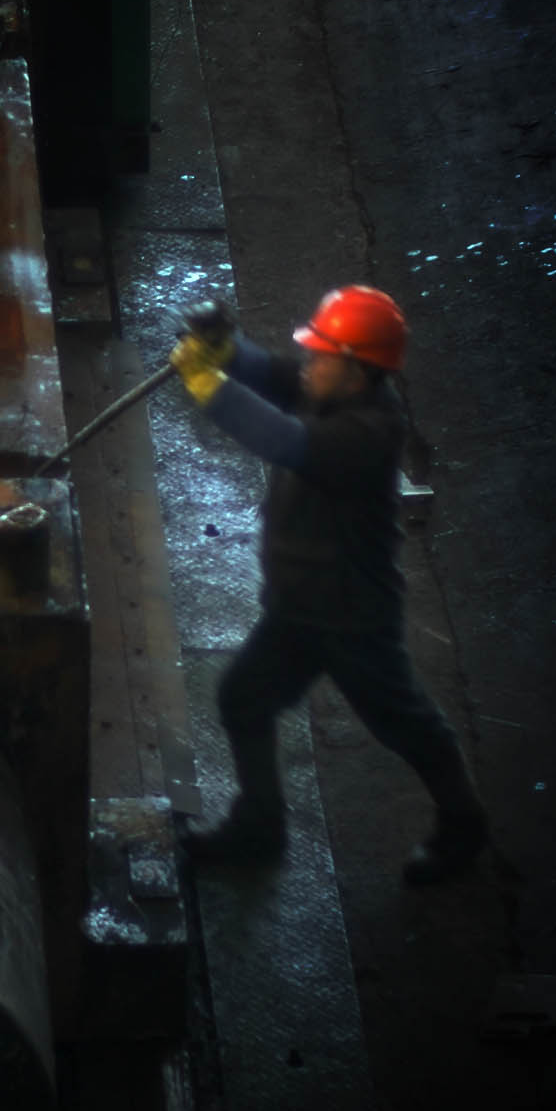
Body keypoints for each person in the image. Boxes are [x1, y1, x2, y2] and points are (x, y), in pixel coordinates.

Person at [169, 286, 488, 885]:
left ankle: (464, 824)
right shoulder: (329, 390)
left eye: (321, 355)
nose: (309, 363)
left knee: (404, 722)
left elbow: (283, 440)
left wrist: (209, 385)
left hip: (352, 618)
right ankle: (260, 828)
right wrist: (226, 350)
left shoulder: (369, 433)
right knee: (243, 698)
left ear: (358, 370)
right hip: (299, 608)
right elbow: (276, 375)